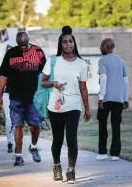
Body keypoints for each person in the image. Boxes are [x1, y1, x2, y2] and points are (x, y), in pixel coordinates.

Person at [41, 25, 91, 184]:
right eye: (65, 42)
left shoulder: (82, 64)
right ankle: (57, 166)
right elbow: (43, 82)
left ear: (74, 43)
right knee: (57, 139)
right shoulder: (53, 61)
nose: (68, 44)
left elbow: (83, 87)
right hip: (55, 105)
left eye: (71, 41)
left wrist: (87, 108)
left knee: (71, 138)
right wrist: (53, 83)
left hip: (73, 105)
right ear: (60, 45)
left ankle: (71, 171)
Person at [0, 30, 46, 166]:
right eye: (20, 45)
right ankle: (18, 156)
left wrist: (47, 93)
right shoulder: (11, 53)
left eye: (25, 44)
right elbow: (3, 77)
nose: (23, 47)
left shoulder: (38, 52)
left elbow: (46, 73)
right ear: (17, 43)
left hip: (33, 98)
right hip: (15, 97)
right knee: (17, 126)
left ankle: (33, 147)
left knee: (35, 125)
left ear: (28, 40)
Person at [96, 38, 129, 161]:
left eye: (101, 46)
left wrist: (101, 98)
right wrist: (125, 98)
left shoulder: (102, 60)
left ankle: (102, 152)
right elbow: (125, 81)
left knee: (102, 124)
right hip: (119, 99)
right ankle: (115, 154)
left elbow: (103, 78)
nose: (100, 48)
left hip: (106, 99)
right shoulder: (121, 61)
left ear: (107, 47)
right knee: (116, 126)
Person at [3, 84, 14, 153]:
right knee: (9, 119)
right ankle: (10, 142)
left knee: (10, 119)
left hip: (21, 93)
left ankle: (34, 145)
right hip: (7, 93)